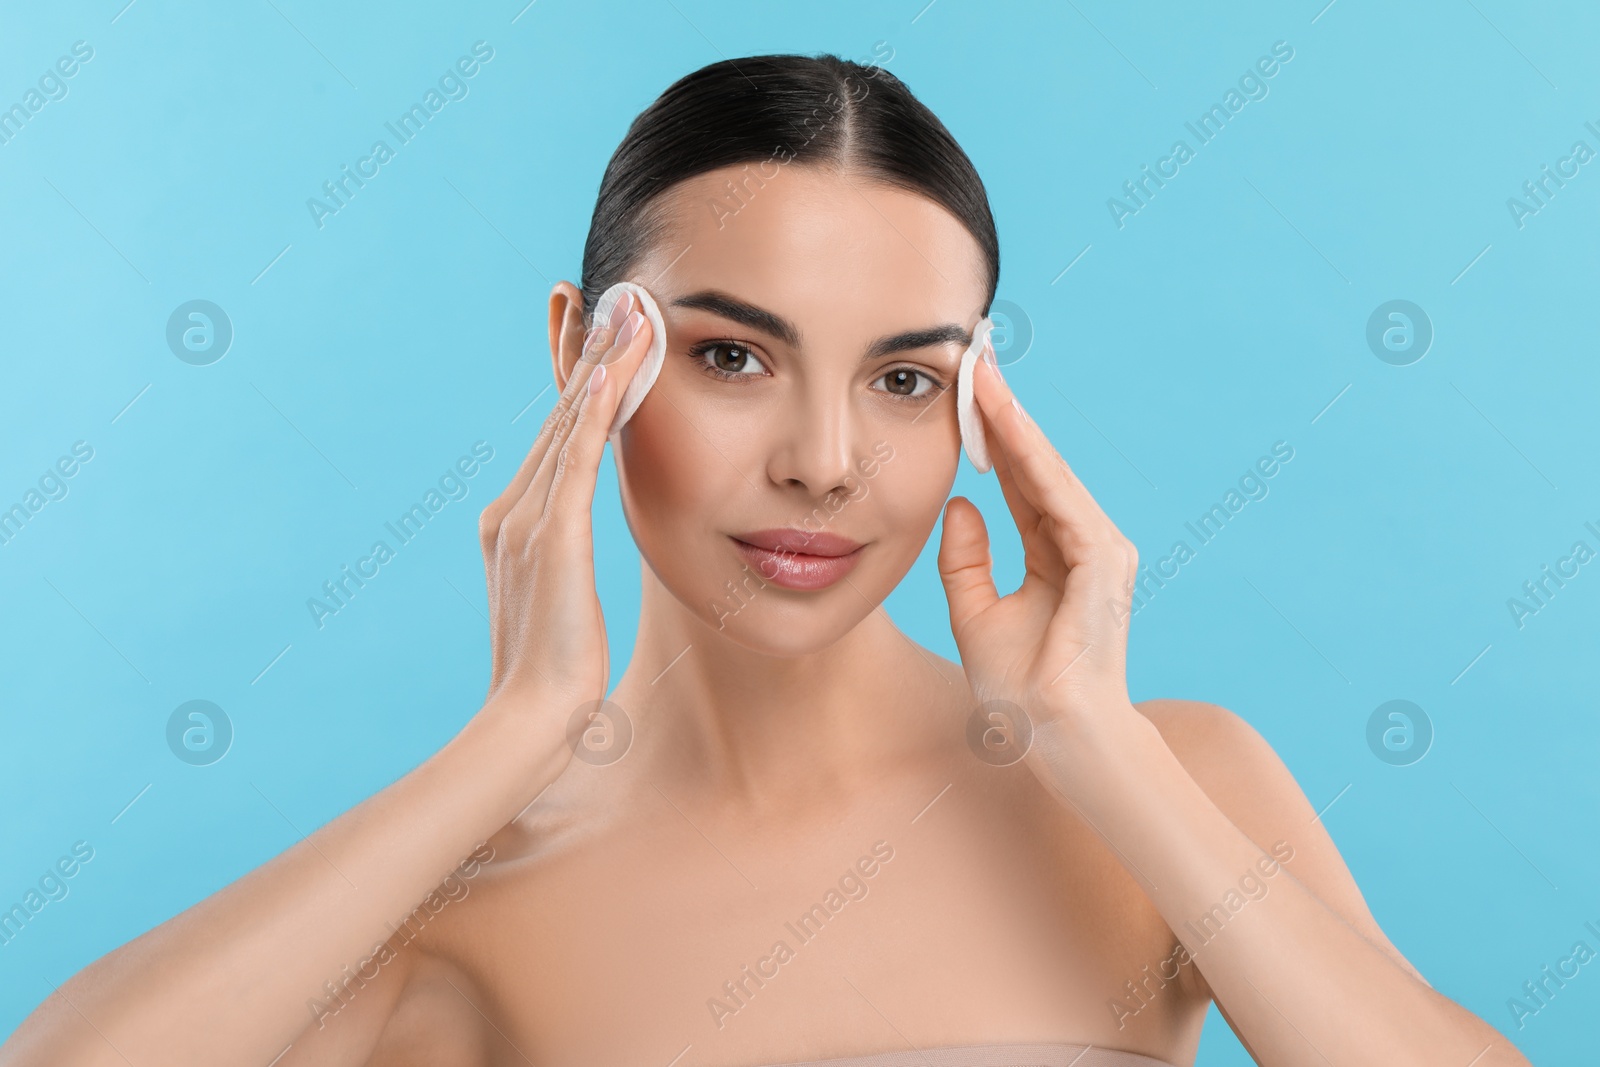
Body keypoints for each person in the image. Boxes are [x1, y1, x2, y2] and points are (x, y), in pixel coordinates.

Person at [3, 53, 1528, 1067]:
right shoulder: (445, 910)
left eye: (906, 378)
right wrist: (513, 738)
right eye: (733, 356)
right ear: (577, 354)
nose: (824, 459)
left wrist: (1098, 752)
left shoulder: (1168, 785)